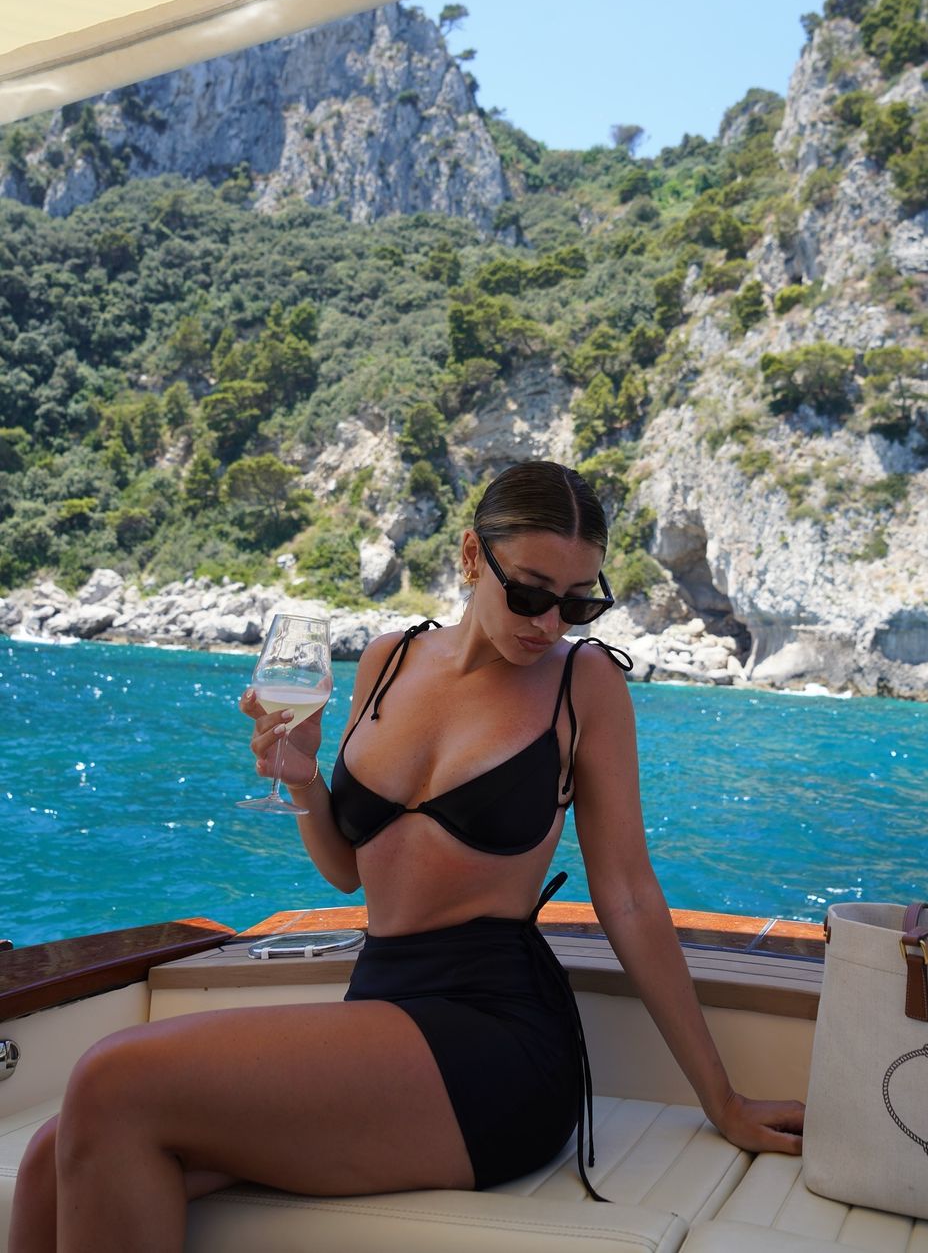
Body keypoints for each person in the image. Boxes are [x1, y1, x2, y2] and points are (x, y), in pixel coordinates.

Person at [9, 460, 802, 1253]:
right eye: (530, 594)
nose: (550, 625)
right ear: (471, 556)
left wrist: (722, 1098)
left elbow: (626, 895)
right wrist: (304, 780)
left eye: (577, 603)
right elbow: (348, 872)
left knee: (112, 1080)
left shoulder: (582, 684)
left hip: (497, 1038)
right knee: (51, 1158)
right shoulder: (388, 660)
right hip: (382, 1008)